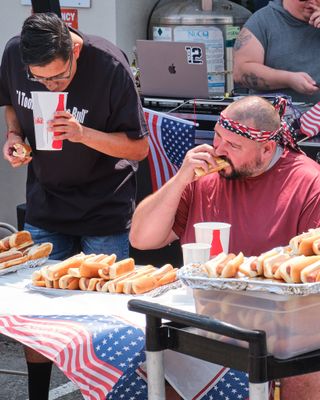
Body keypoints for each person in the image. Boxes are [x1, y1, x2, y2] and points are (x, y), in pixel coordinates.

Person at [130, 95, 320, 400]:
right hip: (200, 315)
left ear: (266, 149)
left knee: (308, 368)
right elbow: (141, 238)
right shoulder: (204, 176)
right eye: (217, 137)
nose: (218, 150)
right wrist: (180, 179)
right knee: (138, 350)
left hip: (277, 324)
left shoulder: (308, 182)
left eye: (233, 146)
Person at [0, 12, 148, 400]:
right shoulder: (15, 54)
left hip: (104, 206)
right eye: (40, 80)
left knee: (101, 317)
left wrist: (83, 134)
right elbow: (12, 105)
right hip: (46, 201)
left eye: (59, 78)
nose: (49, 85)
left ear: (76, 50)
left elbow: (139, 147)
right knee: (37, 314)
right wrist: (14, 136)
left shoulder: (109, 64)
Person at [233, 0, 320, 103]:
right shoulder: (263, 20)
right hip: (275, 114)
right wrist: (288, 79)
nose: (312, 1)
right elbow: (241, 71)